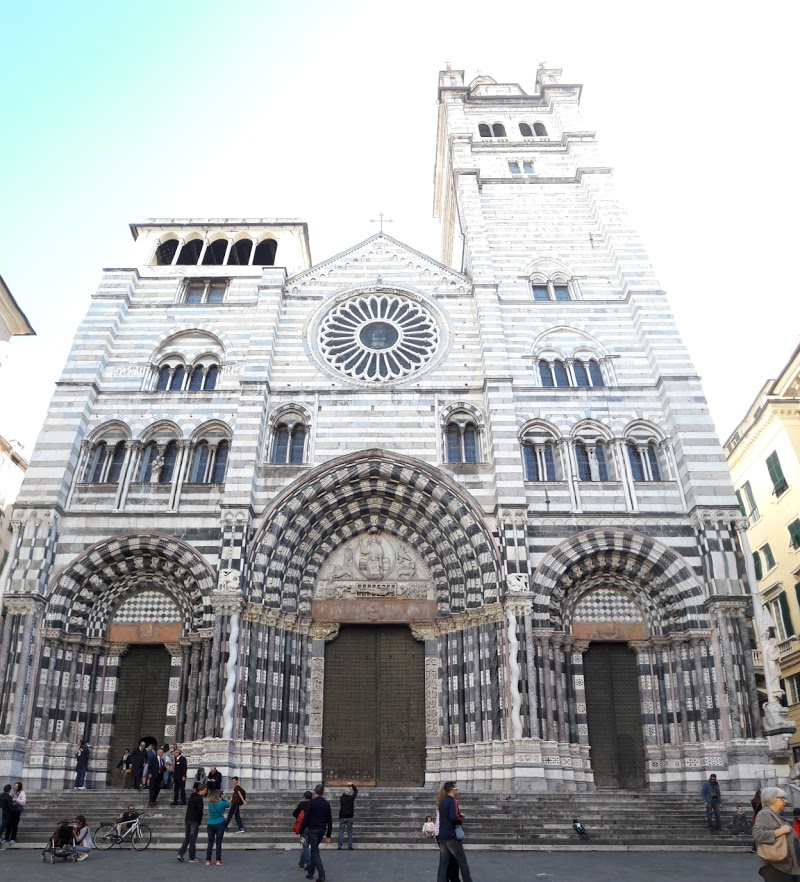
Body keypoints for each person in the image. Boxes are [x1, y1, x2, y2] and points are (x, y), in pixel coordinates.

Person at [752, 787, 800, 881]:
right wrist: (780, 831)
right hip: (776, 867)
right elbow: (757, 834)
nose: (785, 801)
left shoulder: (776, 815)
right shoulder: (765, 813)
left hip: (786, 867)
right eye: (782, 798)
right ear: (772, 799)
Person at [436, 781, 473, 882]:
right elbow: (454, 818)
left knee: (443, 864)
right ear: (452, 790)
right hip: (451, 836)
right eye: (456, 789)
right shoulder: (452, 801)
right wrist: (461, 818)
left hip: (442, 835)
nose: (457, 791)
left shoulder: (441, 801)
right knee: (462, 862)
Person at [300, 783, 332, 882]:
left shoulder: (311, 803)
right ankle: (310, 873)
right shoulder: (326, 803)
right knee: (314, 850)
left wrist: (301, 830)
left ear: (315, 791)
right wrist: (328, 834)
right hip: (322, 830)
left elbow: (306, 818)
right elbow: (329, 819)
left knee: (315, 852)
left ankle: (322, 874)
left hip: (313, 830)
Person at [177, 785, 206, 863]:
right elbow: (200, 811)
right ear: (201, 790)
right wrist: (199, 821)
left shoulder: (192, 797)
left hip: (188, 819)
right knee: (193, 839)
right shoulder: (199, 798)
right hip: (194, 820)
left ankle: (180, 853)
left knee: (187, 837)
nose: (206, 792)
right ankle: (192, 857)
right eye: (205, 790)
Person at [205, 789, 230, 866]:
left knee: (210, 843)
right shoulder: (221, 803)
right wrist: (223, 798)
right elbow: (228, 804)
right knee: (218, 843)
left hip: (210, 823)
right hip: (220, 823)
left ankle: (208, 860)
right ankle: (218, 860)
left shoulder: (210, 804)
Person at [294, 790, 313, 870]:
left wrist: (300, 818)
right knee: (306, 845)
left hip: (303, 827)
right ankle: (301, 862)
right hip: (312, 827)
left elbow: (294, 813)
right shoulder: (313, 804)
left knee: (305, 846)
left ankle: (308, 863)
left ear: (304, 797)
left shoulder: (302, 804)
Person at [337, 782, 358, 850]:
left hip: (342, 816)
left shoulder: (341, 798)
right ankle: (350, 845)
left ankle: (339, 846)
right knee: (350, 832)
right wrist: (351, 785)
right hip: (349, 816)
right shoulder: (351, 798)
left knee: (341, 831)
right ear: (349, 793)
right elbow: (356, 791)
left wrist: (347, 787)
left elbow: (344, 793)